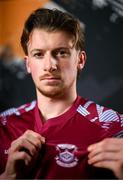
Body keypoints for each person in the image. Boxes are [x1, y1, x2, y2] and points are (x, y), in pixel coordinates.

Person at [0, 8, 123, 179]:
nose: (50, 65)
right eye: (38, 54)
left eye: (61, 53)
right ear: (28, 64)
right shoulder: (4, 125)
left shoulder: (114, 127)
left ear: (80, 60)